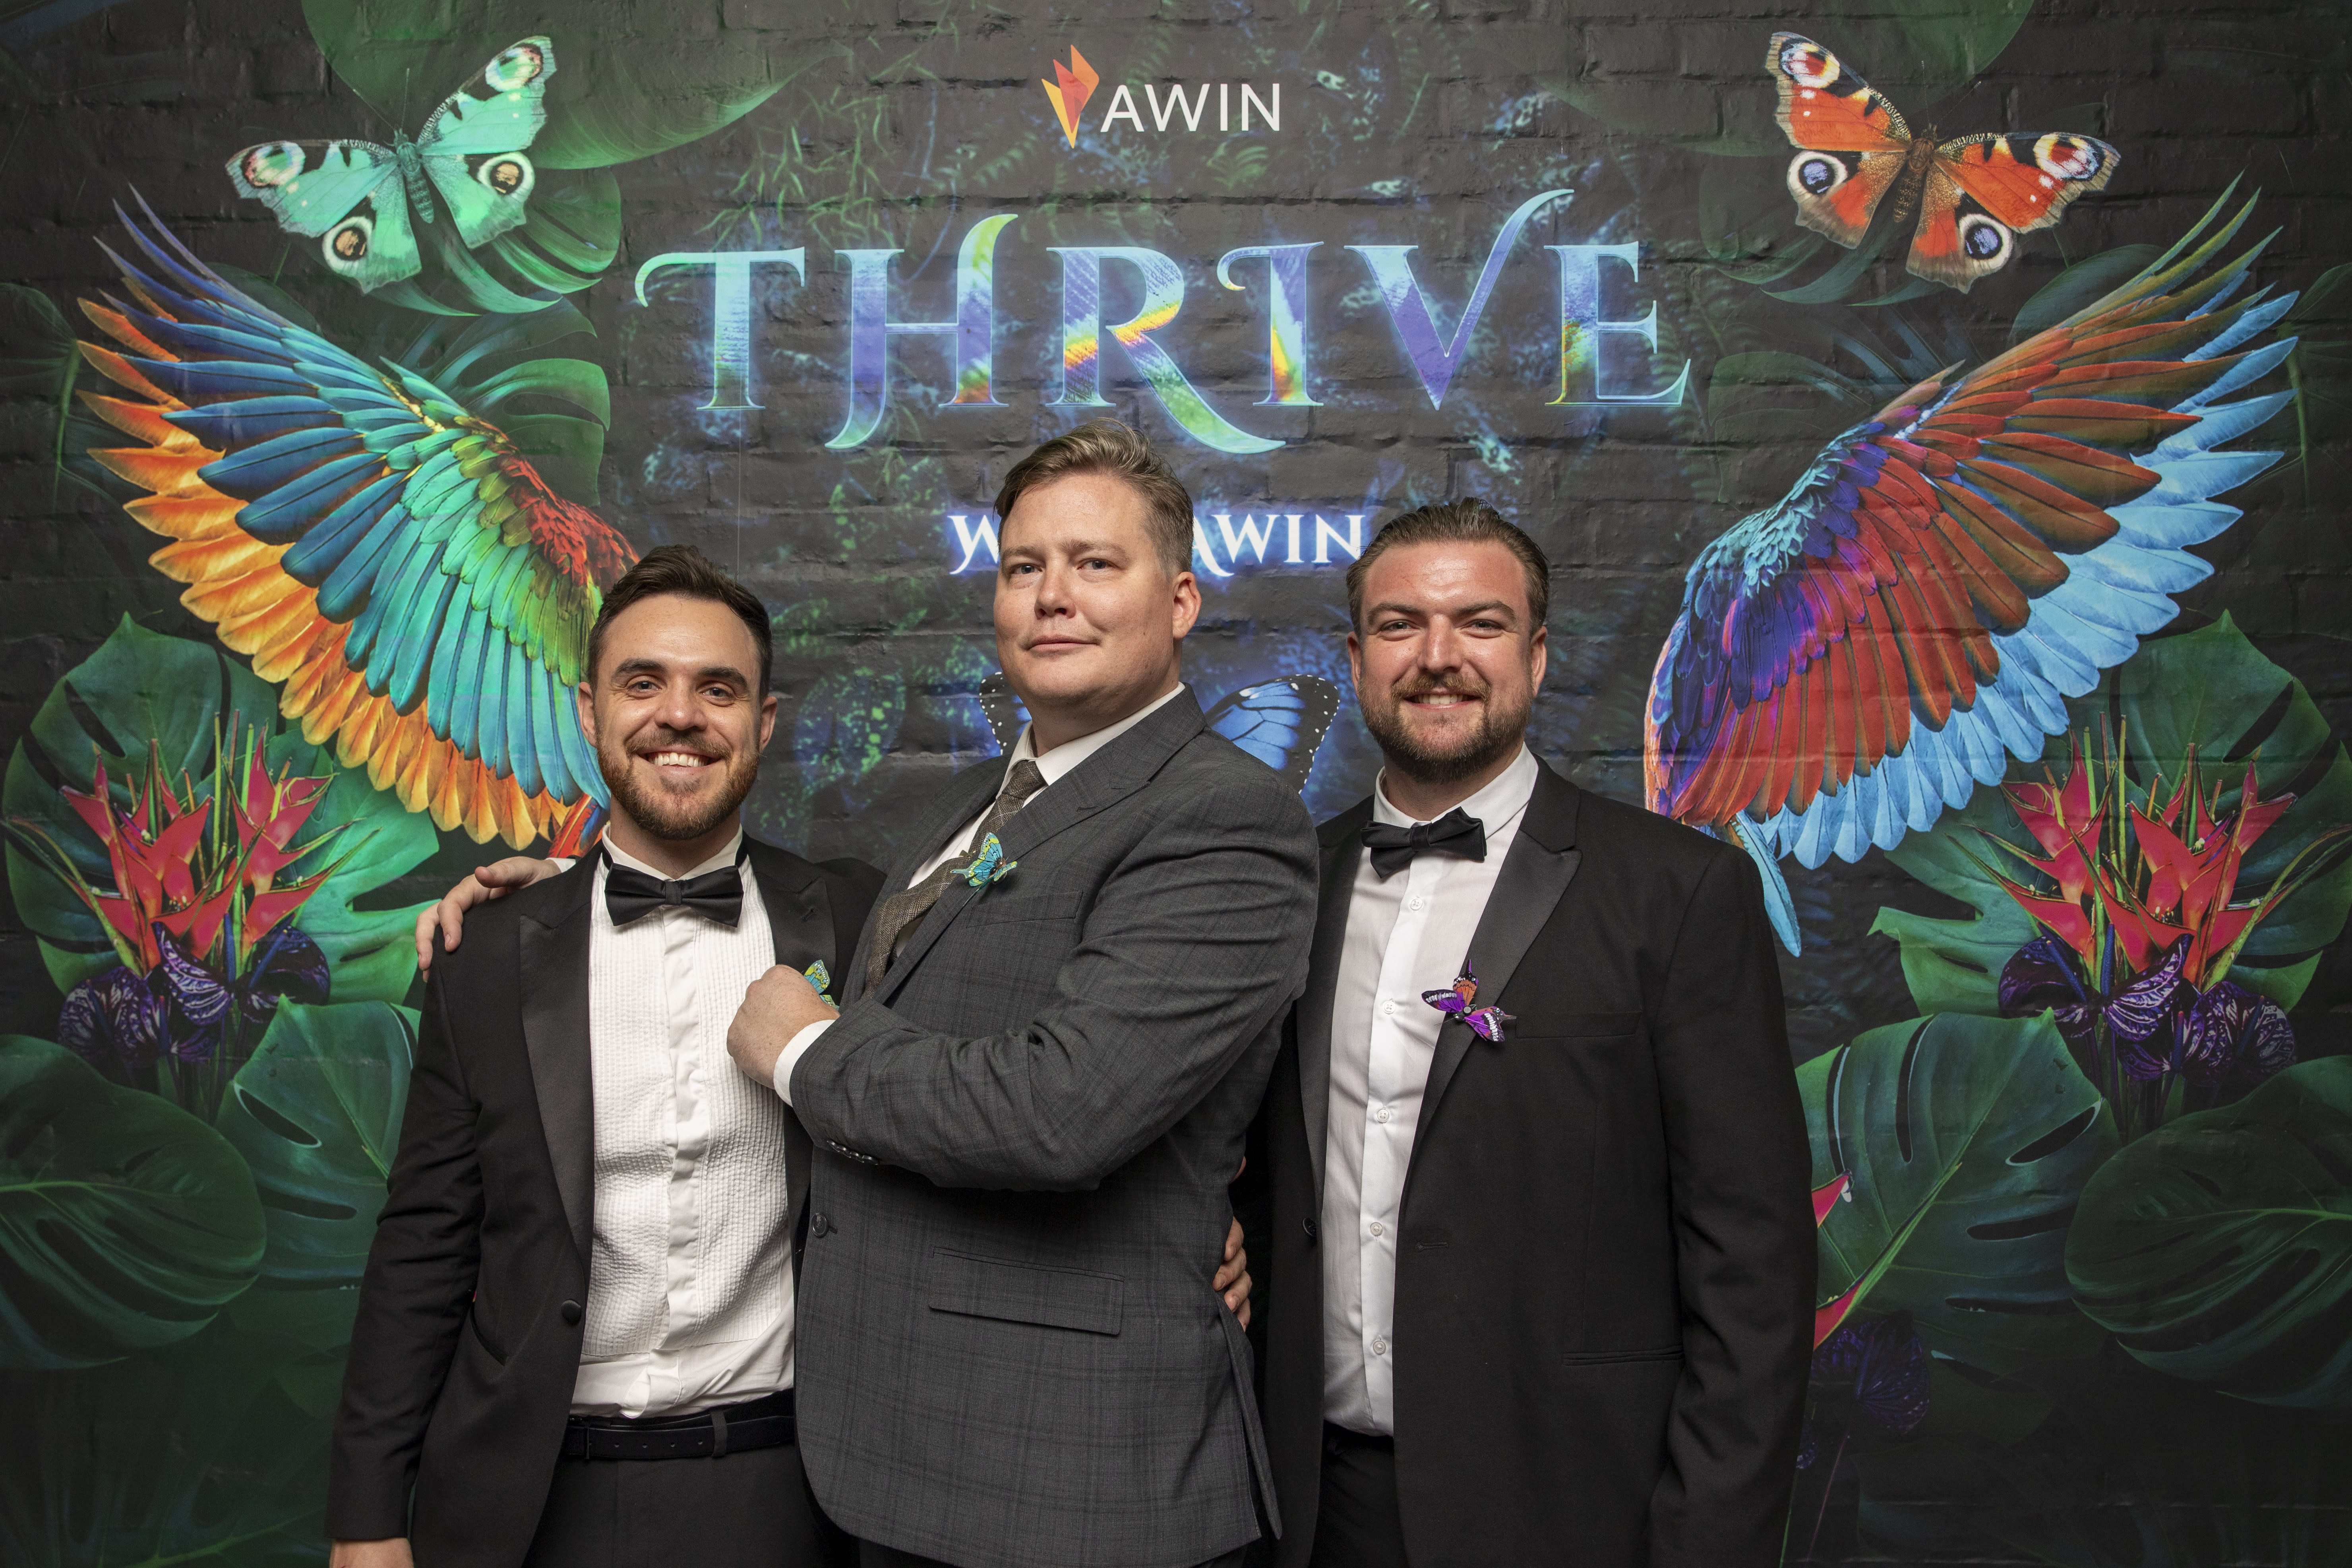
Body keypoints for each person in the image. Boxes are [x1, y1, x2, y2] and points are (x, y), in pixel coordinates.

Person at [411, 422, 1295, 1568]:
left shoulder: (1224, 812)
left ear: (1179, 600)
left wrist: (801, 1054)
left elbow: (1064, 1108)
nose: (1052, 596)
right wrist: (571, 899)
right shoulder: (980, 805)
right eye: (1024, 567)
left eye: (1095, 564)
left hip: (1072, 1480)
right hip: (901, 1464)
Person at [1242, 500, 1814, 1568]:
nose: (1440, 657)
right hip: (1313, 1508)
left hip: (1575, 1507)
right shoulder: (1286, 888)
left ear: (1539, 657)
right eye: (1402, 624)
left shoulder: (1681, 894)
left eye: (1482, 623)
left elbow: (1756, 1268)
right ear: (1358, 656)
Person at [325, 546, 885, 1568]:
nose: (679, 716)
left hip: (790, 1492)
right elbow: (423, 1243)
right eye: (643, 683)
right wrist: (366, 1516)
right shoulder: (489, 950)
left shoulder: (860, 920)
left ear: (762, 723)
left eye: (717, 688)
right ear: (589, 711)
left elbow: (1016, 1071)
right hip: (529, 1497)